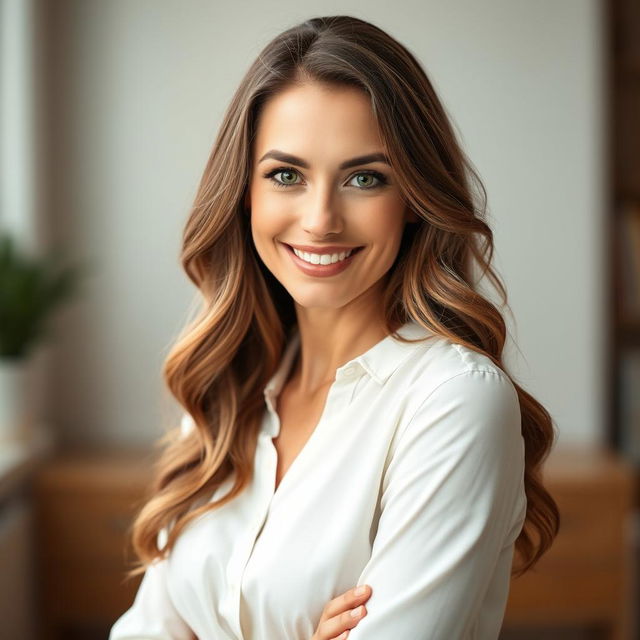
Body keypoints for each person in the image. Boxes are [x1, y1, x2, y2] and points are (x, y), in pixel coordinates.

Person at [110, 14, 559, 640]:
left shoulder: (453, 401)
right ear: (246, 193)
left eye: (364, 178)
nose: (321, 220)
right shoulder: (226, 389)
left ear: (414, 201)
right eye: (286, 174)